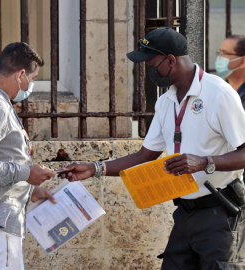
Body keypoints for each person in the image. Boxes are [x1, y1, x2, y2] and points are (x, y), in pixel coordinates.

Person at [61, 28, 245, 269]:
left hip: (220, 213)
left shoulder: (219, 94)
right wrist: (95, 168)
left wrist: (205, 161)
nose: (148, 70)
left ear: (171, 60)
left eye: (151, 64)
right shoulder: (165, 100)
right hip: (185, 213)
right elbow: (145, 155)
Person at [0, 42, 56, 270]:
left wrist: (29, 190)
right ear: (21, 75)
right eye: (33, 77)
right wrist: (27, 173)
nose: (31, 85)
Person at [215, 35, 245, 181]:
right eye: (220, 53)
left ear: (243, 61)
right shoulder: (217, 91)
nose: (220, 58)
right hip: (223, 181)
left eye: (225, 53)